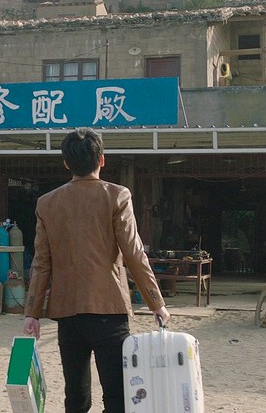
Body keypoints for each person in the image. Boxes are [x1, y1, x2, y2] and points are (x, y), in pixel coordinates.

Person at [23, 128, 170, 413]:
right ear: (102, 159)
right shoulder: (117, 196)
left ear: (66, 163)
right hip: (109, 310)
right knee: (116, 395)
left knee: (76, 396)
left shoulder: (47, 203)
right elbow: (134, 253)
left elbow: (42, 263)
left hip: (67, 313)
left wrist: (32, 312)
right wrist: (156, 303)